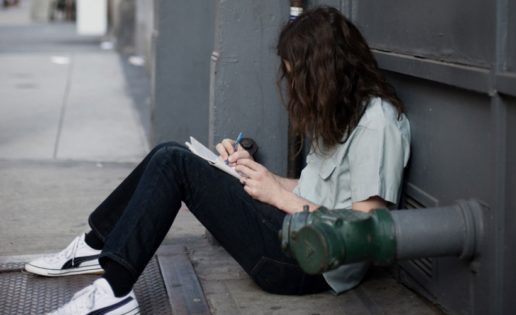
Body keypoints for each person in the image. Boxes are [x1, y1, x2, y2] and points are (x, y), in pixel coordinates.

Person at [26, 6, 410, 315]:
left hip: (308, 264)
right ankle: (99, 244)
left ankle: (113, 292)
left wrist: (278, 196)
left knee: (174, 163)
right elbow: (316, 189)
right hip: (289, 230)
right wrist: (258, 175)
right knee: (170, 152)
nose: (295, 89)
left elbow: (364, 233)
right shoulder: (342, 112)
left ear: (326, 72)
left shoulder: (377, 125)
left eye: (301, 79)